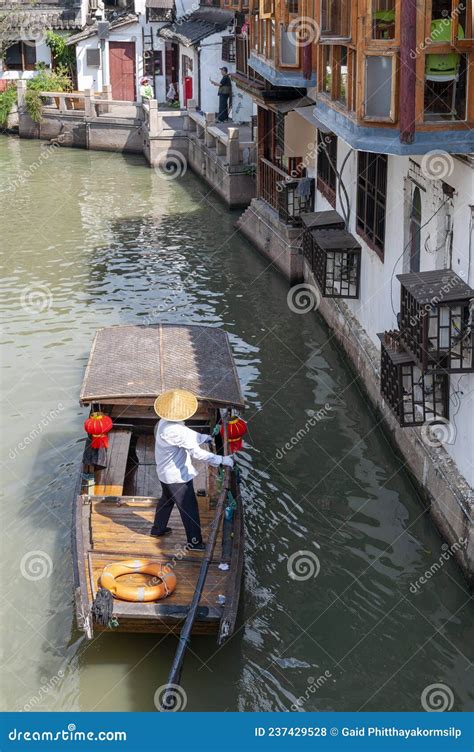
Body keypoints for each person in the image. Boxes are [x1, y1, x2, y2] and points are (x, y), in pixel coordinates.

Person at [150, 388, 234, 550]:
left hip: (164, 473)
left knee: (166, 501)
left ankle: (158, 529)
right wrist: (223, 460)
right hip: (177, 477)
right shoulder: (177, 431)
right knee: (189, 509)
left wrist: (204, 437)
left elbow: (188, 434)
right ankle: (194, 542)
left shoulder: (163, 422)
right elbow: (197, 453)